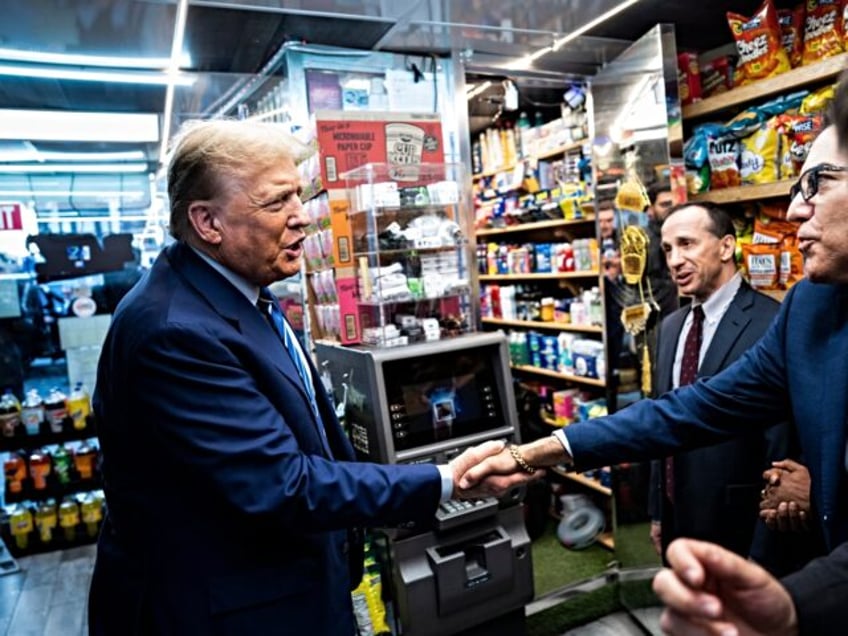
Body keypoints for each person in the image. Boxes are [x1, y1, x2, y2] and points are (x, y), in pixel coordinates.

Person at [88, 119, 513, 635]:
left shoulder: (238, 291)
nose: (302, 220)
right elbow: (284, 484)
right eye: (276, 204)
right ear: (207, 222)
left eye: (299, 197)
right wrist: (447, 478)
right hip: (232, 613)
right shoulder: (174, 332)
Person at [459, 122, 848, 564]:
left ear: (725, 247)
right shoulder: (808, 306)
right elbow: (687, 411)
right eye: (667, 248)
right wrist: (539, 452)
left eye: (817, 182)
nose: (796, 209)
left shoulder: (775, 312)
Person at [646, 201, 793, 571]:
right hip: (677, 516)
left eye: (687, 244)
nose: (675, 260)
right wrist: (659, 512)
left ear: (726, 247)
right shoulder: (670, 328)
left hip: (737, 524)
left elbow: (780, 442)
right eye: (667, 249)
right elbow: (658, 424)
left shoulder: (770, 322)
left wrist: (766, 546)